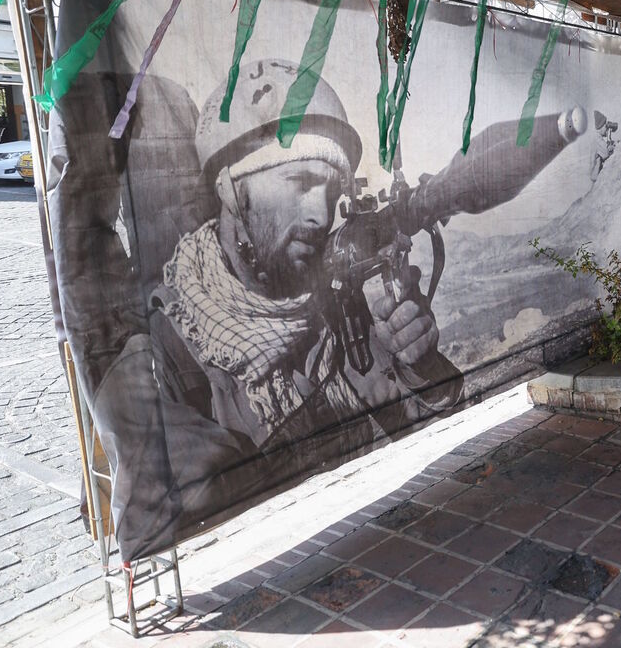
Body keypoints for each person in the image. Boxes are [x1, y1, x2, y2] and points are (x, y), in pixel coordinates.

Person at [91, 59, 458, 556]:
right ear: (229, 187)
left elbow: (427, 446)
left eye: (331, 190)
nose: (320, 213)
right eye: (299, 182)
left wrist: (421, 364)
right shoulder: (165, 359)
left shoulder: (337, 311)